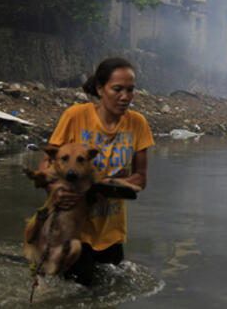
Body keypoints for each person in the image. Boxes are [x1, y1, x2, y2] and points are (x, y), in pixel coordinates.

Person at [38, 57, 154, 286]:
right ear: (100, 89)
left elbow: (140, 178)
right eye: (117, 89)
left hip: (111, 233)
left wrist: (108, 186)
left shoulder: (137, 124)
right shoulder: (75, 117)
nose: (125, 97)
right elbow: (45, 165)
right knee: (78, 296)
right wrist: (55, 189)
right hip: (73, 231)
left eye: (130, 90)